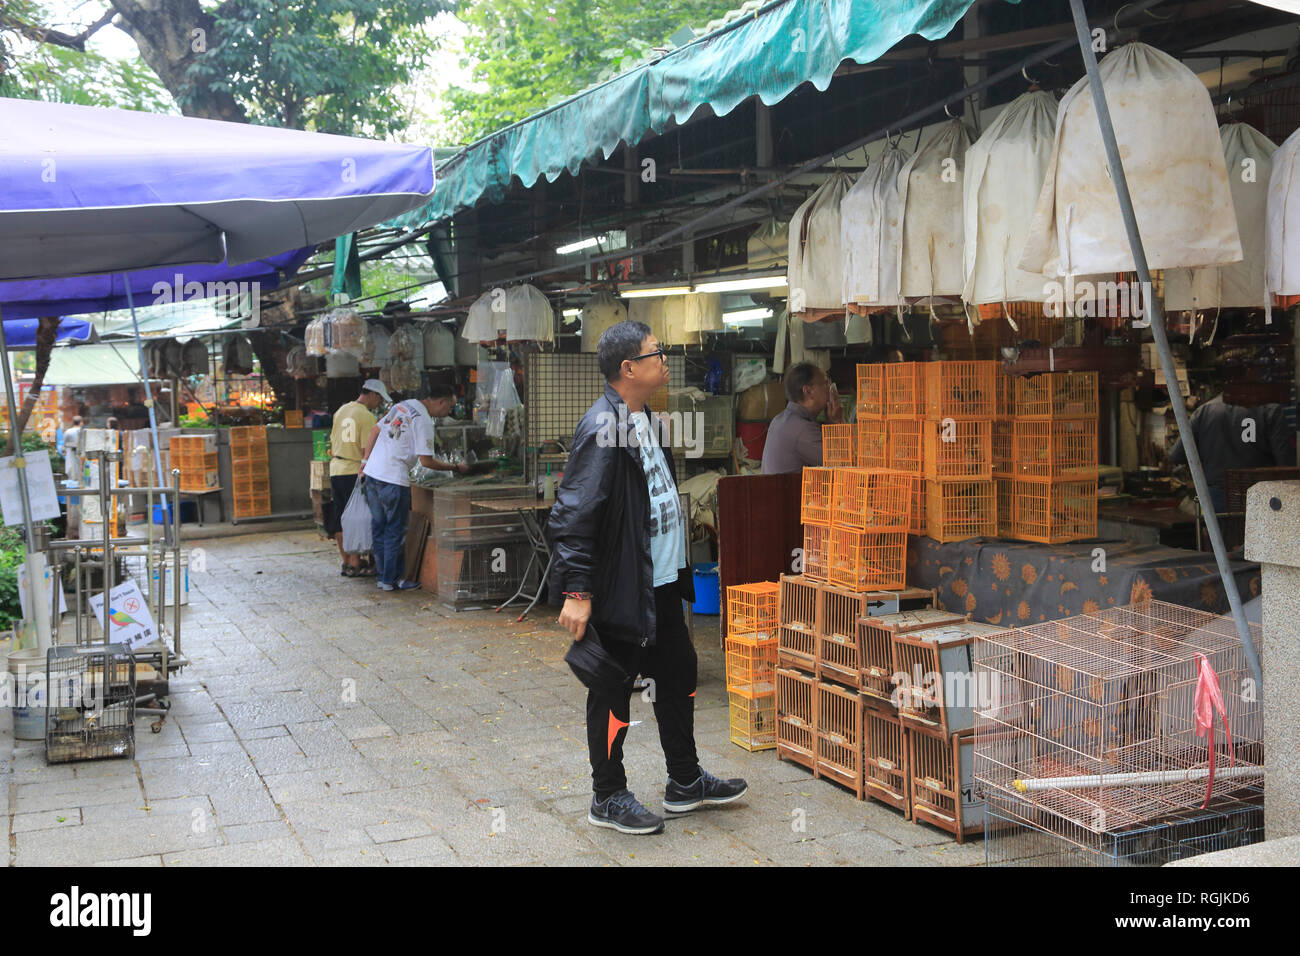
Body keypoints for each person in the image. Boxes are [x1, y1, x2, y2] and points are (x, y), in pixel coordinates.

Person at [547, 319, 747, 836]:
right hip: (622, 589)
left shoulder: (648, 420)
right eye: (657, 353)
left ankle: (685, 781)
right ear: (628, 368)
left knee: (677, 675)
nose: (666, 359)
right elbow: (573, 516)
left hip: (660, 583)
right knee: (612, 690)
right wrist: (577, 591)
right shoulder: (601, 428)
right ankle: (607, 795)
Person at [359, 385, 467, 591]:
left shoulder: (403, 406)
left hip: (373, 474)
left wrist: (365, 461)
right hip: (393, 478)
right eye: (449, 408)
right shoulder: (424, 420)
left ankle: (383, 577)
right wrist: (455, 467)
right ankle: (393, 579)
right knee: (395, 531)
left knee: (379, 527)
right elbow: (426, 462)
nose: (448, 413)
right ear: (441, 402)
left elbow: (375, 430)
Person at [1169, 391, 1294, 512]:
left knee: (1218, 532)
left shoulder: (1204, 411)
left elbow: (1177, 455)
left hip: (1215, 496)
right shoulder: (1270, 410)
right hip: (1259, 497)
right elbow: (1285, 463)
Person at [328, 379, 388, 577]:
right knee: (357, 517)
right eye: (379, 399)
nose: (378, 404)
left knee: (341, 516)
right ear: (373, 394)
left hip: (336, 468)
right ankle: (355, 562)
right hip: (354, 471)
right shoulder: (367, 417)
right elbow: (366, 450)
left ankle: (347, 561)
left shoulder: (341, 410)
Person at [761, 361, 844, 473]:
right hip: (789, 490)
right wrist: (838, 421)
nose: (829, 388)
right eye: (825, 383)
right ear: (808, 391)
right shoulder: (802, 429)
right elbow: (843, 463)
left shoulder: (780, 419)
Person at [62, 415, 84, 483]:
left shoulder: (68, 431)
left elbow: (64, 444)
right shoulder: (82, 431)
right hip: (81, 455)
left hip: (70, 454)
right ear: (80, 423)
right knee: (80, 473)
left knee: (71, 471)